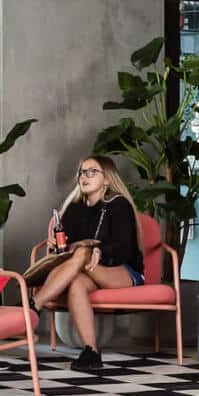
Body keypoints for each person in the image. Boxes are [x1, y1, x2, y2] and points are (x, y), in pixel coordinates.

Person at [33, 155, 147, 371]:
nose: (84, 176)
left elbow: (123, 248)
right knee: (76, 283)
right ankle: (91, 352)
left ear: (106, 179)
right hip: (86, 270)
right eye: (82, 172)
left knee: (84, 252)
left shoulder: (119, 204)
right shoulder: (74, 209)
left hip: (123, 270)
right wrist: (58, 247)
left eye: (92, 171)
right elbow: (66, 248)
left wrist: (97, 251)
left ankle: (34, 305)